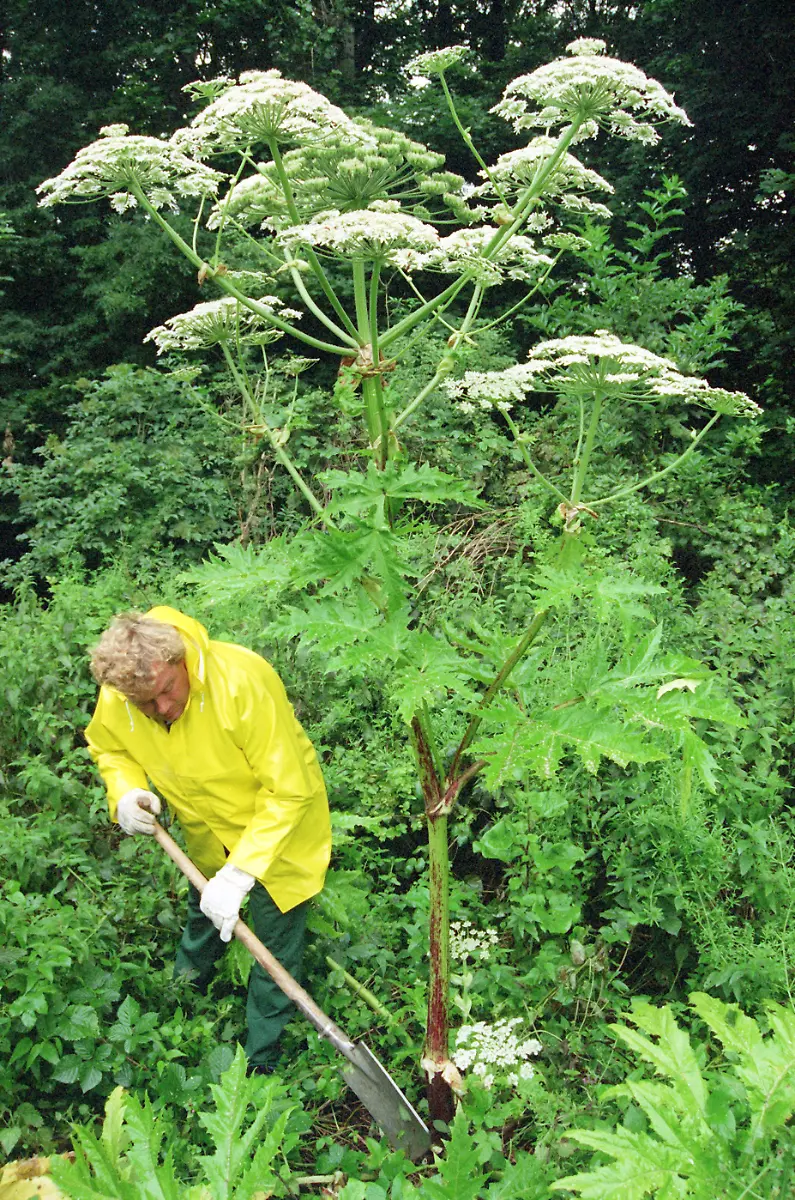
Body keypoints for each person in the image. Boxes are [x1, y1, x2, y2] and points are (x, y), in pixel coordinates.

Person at [85, 605, 331, 1072]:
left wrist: (240, 873)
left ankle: (260, 1067)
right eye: (145, 704)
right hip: (205, 836)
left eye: (167, 690)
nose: (161, 709)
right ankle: (179, 999)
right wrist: (125, 791)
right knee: (204, 914)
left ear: (181, 660)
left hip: (277, 837)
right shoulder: (122, 692)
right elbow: (110, 747)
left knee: (274, 946)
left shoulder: (240, 681)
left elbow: (289, 790)